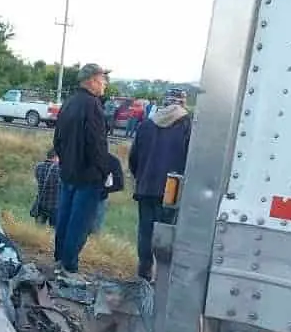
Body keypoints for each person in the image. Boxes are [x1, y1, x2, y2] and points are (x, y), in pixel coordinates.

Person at [52, 63, 124, 274]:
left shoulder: (70, 102)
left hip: (68, 172)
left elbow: (57, 140)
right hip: (88, 175)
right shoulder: (92, 105)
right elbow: (97, 144)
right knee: (79, 223)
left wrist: (66, 162)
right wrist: (103, 172)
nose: (105, 84)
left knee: (64, 218)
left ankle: (59, 261)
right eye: (103, 79)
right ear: (92, 80)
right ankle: (69, 268)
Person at [129, 87, 192, 282]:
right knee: (166, 232)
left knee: (145, 231)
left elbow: (134, 158)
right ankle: (163, 275)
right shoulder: (187, 124)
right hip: (171, 190)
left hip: (146, 186)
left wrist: (141, 176)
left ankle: (144, 272)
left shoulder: (147, 124)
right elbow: (191, 160)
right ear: (182, 102)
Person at [31, 149, 60, 227]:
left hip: (40, 204)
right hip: (55, 205)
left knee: (38, 230)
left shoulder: (38, 167)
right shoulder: (59, 169)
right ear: (56, 157)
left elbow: (37, 179)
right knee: (55, 230)